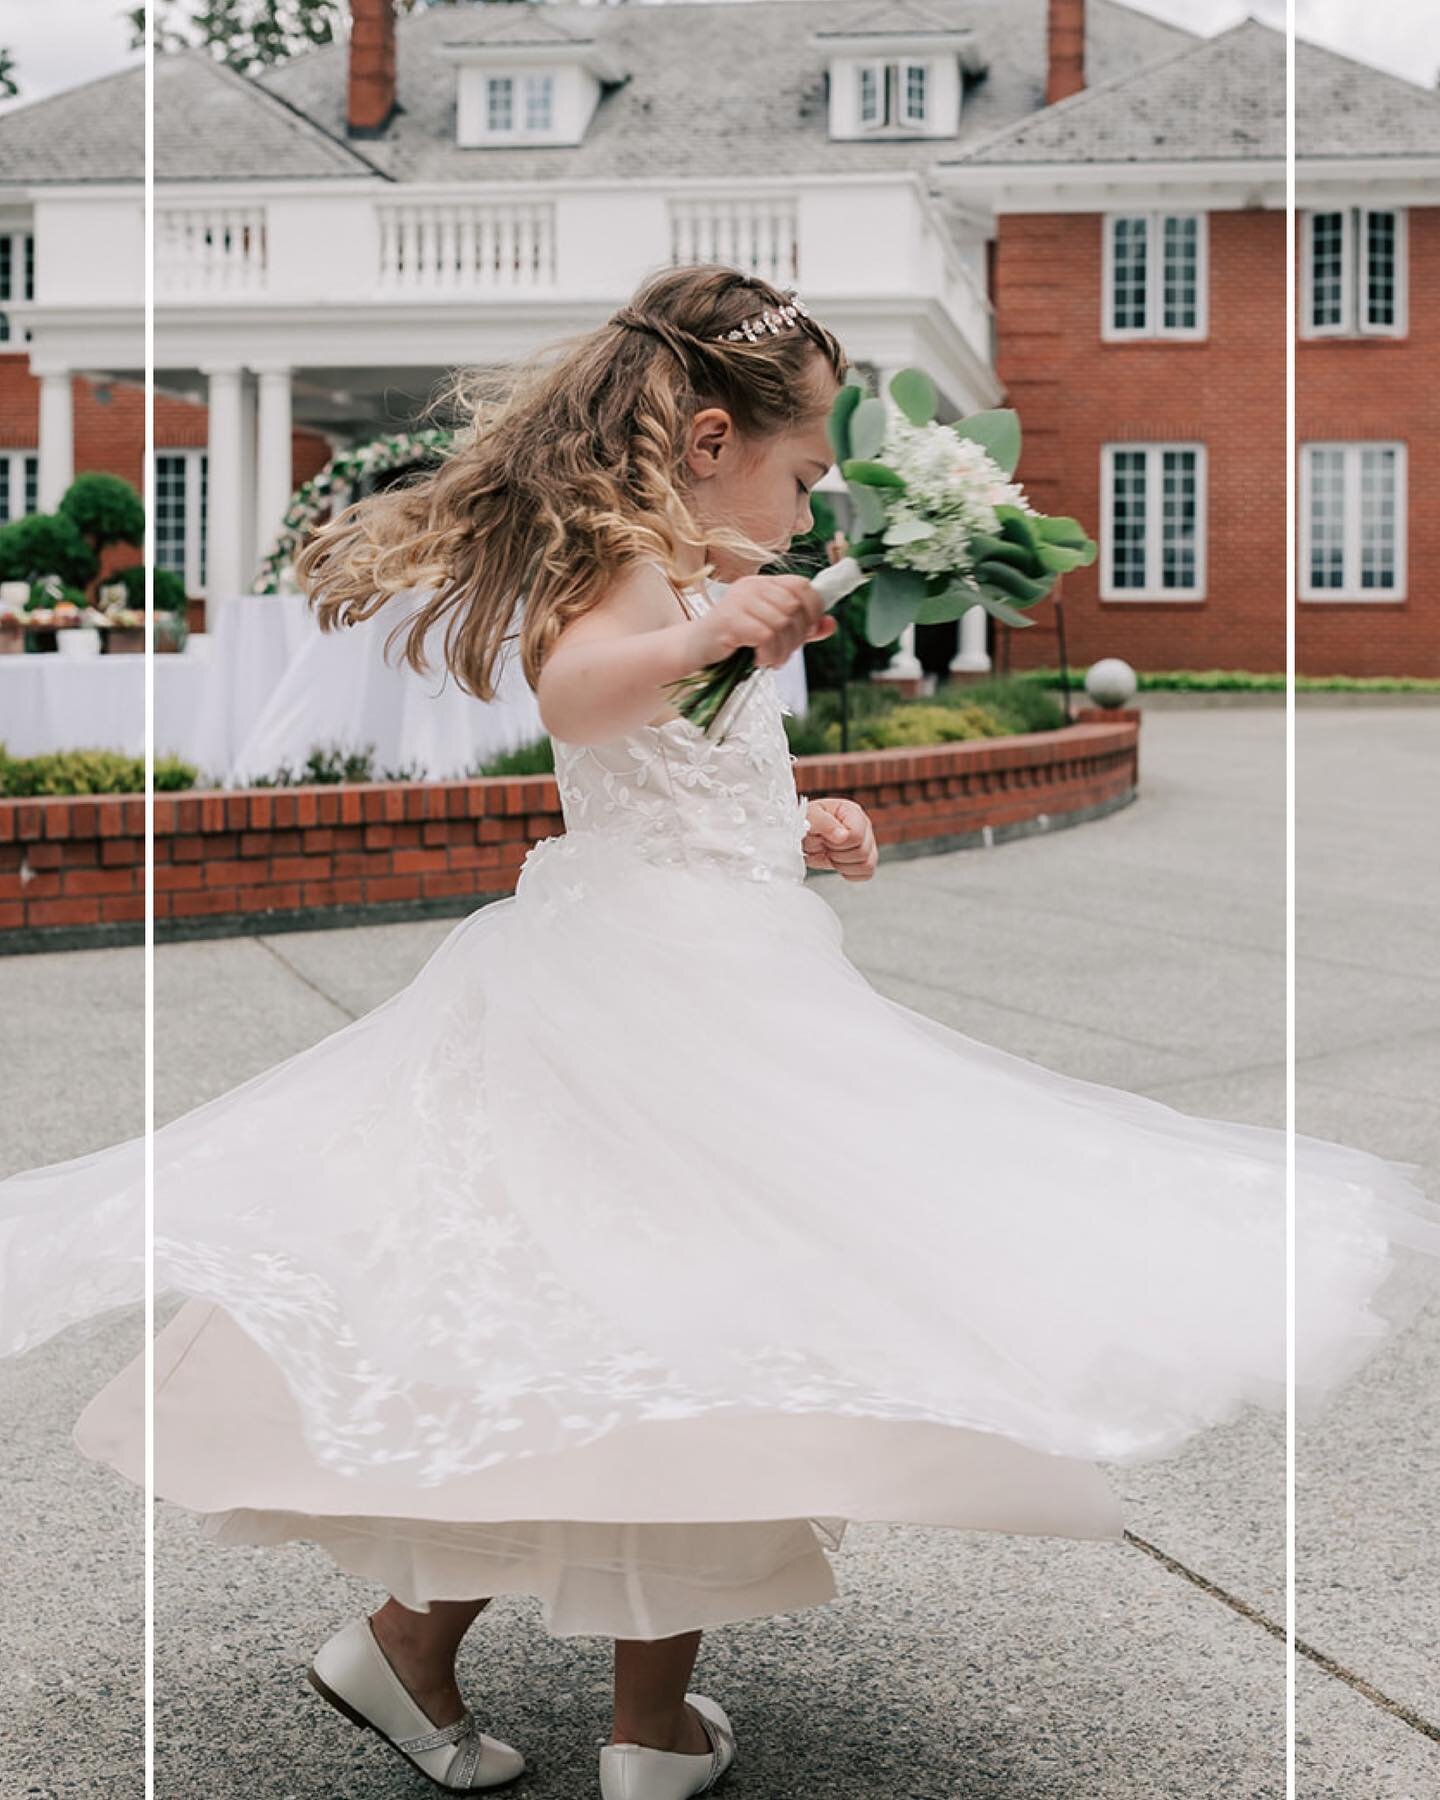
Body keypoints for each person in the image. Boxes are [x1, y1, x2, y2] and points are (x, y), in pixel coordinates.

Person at [2, 263, 1438, 1800]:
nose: (815, 507)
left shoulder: (683, 570)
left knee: (622, 1340)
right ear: (704, 438)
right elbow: (580, 699)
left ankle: (429, 1657)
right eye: (804, 467)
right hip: (637, 998)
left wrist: (797, 818)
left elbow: (683, 774)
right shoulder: (624, 561)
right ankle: (630, 1724)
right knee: (698, 1333)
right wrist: (714, 632)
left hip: (712, 962)